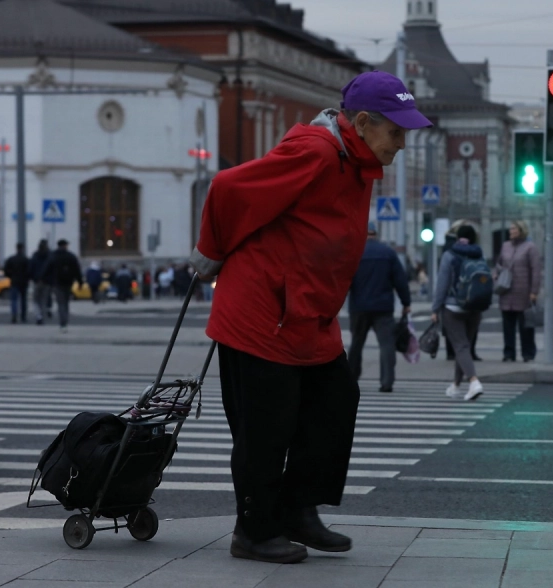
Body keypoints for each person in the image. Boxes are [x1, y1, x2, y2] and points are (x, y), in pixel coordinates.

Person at [189, 70, 432, 564]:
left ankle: (298, 510)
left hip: (309, 316)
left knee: (336, 401)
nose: (402, 144)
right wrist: (209, 254)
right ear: (362, 122)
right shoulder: (317, 153)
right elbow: (228, 187)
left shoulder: (358, 162)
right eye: (396, 132)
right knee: (265, 428)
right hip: (261, 312)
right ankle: (254, 531)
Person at [347, 222, 411, 393]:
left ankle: (351, 379)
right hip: (383, 307)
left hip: (358, 307)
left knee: (356, 344)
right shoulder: (388, 253)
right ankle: (387, 382)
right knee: (386, 345)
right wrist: (406, 303)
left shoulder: (354, 252)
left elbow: (345, 280)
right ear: (376, 233)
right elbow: (400, 280)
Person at [430, 224, 485, 401]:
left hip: (453, 307)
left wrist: (435, 308)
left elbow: (442, 284)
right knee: (464, 347)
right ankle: (455, 386)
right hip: (475, 307)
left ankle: (474, 382)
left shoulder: (449, 255)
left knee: (460, 347)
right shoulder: (479, 254)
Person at [495, 220, 540, 363]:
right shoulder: (505, 246)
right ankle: (509, 354)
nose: (511, 231)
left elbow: (536, 271)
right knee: (508, 326)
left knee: (526, 326)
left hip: (523, 292)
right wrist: (497, 273)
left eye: (514, 229)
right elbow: (499, 263)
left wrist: (534, 291)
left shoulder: (530, 247)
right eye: (510, 229)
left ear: (521, 230)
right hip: (506, 292)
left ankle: (528, 353)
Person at [41, 239, 82, 332]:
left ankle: (62, 322)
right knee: (66, 302)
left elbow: (47, 268)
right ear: (65, 245)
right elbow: (77, 270)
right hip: (68, 282)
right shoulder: (71, 256)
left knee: (61, 303)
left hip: (57, 282)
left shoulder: (53, 256)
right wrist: (80, 282)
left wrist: (43, 279)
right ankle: (65, 321)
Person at [4, 243, 30, 323]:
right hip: (24, 282)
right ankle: (23, 316)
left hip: (14, 281)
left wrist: (10, 276)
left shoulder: (11, 259)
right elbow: (29, 271)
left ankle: (14, 315)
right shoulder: (26, 259)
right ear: (23, 248)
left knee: (14, 300)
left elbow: (6, 270)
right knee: (23, 300)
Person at [28, 239, 51, 324]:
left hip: (37, 280)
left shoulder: (35, 255)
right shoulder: (50, 255)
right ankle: (43, 315)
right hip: (47, 281)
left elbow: (31, 267)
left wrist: (31, 277)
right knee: (44, 299)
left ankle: (38, 316)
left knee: (36, 299)